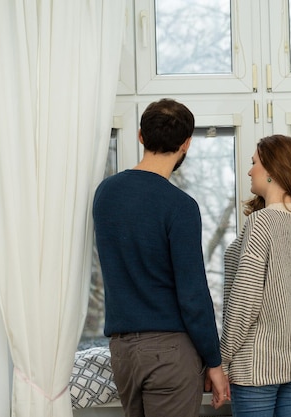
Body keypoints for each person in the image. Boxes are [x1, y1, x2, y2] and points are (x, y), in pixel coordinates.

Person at [92, 98, 229, 417]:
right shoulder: (179, 206)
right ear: (186, 144)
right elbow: (193, 295)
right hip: (170, 353)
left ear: (141, 136)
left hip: (123, 352)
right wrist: (215, 361)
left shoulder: (106, 193)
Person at [220, 134, 291, 417]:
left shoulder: (261, 222)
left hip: (257, 367)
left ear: (272, 171)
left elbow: (245, 300)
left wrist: (222, 359)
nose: (249, 170)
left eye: (254, 163)